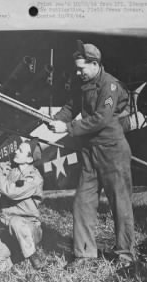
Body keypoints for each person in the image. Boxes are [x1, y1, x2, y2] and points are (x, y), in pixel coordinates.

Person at [48, 40, 135, 267]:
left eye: (81, 68)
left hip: (112, 151)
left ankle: (125, 255)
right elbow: (70, 108)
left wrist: (67, 128)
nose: (78, 72)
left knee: (120, 204)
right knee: (82, 203)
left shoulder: (110, 86)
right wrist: (57, 119)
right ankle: (85, 254)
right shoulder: (82, 83)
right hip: (89, 152)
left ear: (95, 64)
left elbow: (101, 118)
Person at [0, 139, 44, 274]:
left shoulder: (34, 178)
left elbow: (11, 191)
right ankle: (17, 257)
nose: (16, 151)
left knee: (16, 221)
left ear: (30, 158)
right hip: (8, 231)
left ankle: (32, 255)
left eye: (20, 150)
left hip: (29, 230)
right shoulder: (10, 168)